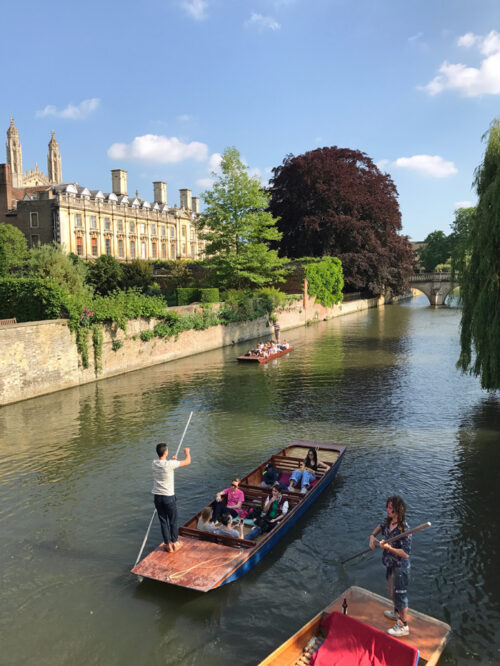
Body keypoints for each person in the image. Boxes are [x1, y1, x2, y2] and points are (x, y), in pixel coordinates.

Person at [369, 495, 412, 637]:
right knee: (390, 590)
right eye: (387, 507)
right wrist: (372, 536)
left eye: (391, 509)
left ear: (398, 510)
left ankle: (403, 625)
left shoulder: (404, 529)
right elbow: (380, 527)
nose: (388, 510)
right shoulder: (388, 522)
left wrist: (389, 547)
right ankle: (396, 612)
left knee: (400, 595)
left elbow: (405, 553)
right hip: (389, 563)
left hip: (399, 567)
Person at [152, 442, 191, 553]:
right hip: (168, 497)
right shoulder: (169, 464)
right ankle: (175, 542)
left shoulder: (154, 463)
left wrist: (173, 461)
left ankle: (167, 544)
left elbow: (166, 464)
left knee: (163, 521)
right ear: (165, 452)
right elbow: (188, 461)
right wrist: (187, 452)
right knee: (173, 520)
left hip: (157, 497)